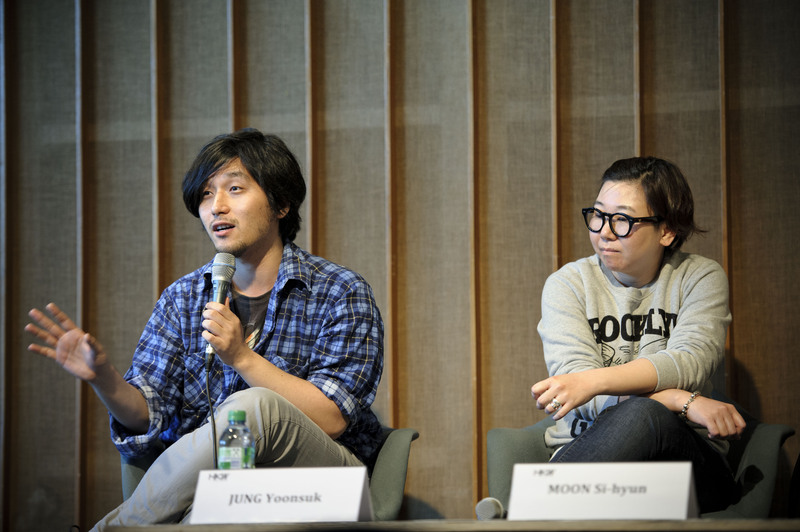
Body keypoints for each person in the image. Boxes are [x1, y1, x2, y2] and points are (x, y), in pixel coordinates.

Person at [25, 128, 384, 529]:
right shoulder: (183, 298)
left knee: (251, 408)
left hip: (323, 481)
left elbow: (332, 418)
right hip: (225, 486)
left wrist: (241, 357)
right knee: (204, 512)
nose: (217, 207)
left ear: (281, 204)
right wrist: (103, 377)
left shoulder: (339, 291)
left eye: (234, 189)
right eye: (206, 194)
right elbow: (149, 416)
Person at [530, 156, 745, 513]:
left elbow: (689, 363)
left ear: (667, 231)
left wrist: (594, 381)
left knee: (646, 415)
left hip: (685, 464)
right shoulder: (568, 284)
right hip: (591, 449)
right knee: (643, 412)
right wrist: (676, 399)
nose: (604, 232)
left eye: (622, 220)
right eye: (598, 215)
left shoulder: (699, 278)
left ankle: (532, 512)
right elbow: (580, 397)